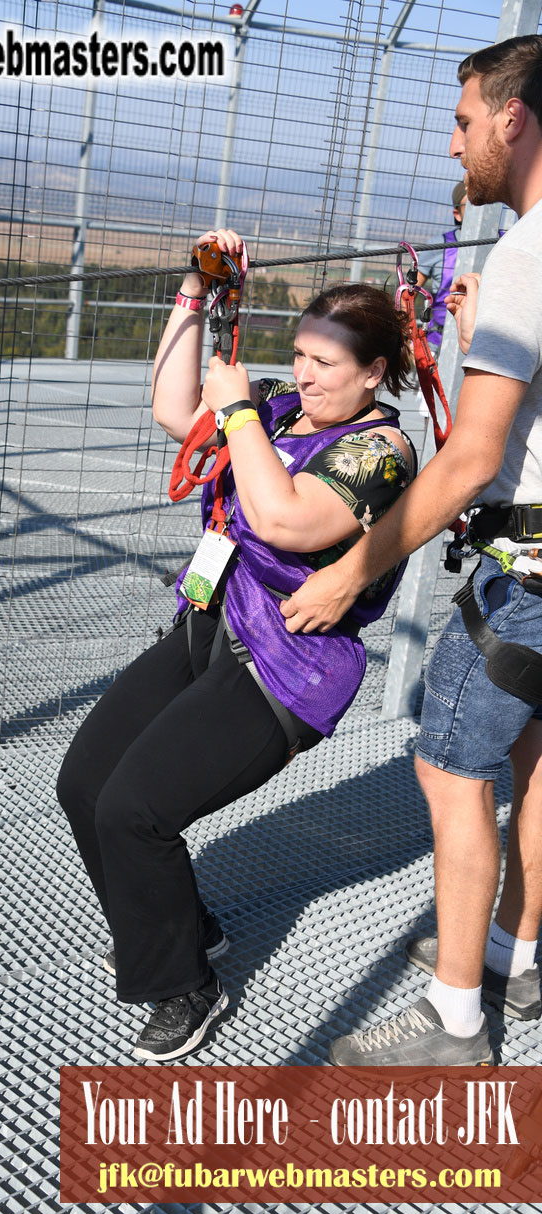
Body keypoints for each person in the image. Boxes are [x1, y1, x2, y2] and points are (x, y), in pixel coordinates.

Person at [56, 227, 416, 1062]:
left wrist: (242, 410)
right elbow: (175, 410)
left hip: (285, 663)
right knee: (85, 784)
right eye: (300, 354)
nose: (306, 374)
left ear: (373, 373)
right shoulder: (283, 409)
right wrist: (196, 292)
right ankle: (183, 929)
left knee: (136, 810)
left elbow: (290, 521)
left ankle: (183, 981)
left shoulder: (382, 450)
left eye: (328, 362)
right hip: (210, 620)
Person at [280, 34, 542, 1067]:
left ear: (514, 120)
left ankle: (453, 1021)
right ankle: (517, 956)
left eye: (466, 120)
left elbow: (472, 457)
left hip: (526, 575)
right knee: (533, 756)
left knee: (449, 769)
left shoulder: (525, 255)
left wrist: (352, 567)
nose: (454, 145)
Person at [417, 180, 468, 348]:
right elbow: (407, 294)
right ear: (457, 213)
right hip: (439, 341)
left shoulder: (501, 242)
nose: (477, 212)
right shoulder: (440, 245)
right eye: (470, 206)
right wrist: (408, 334)